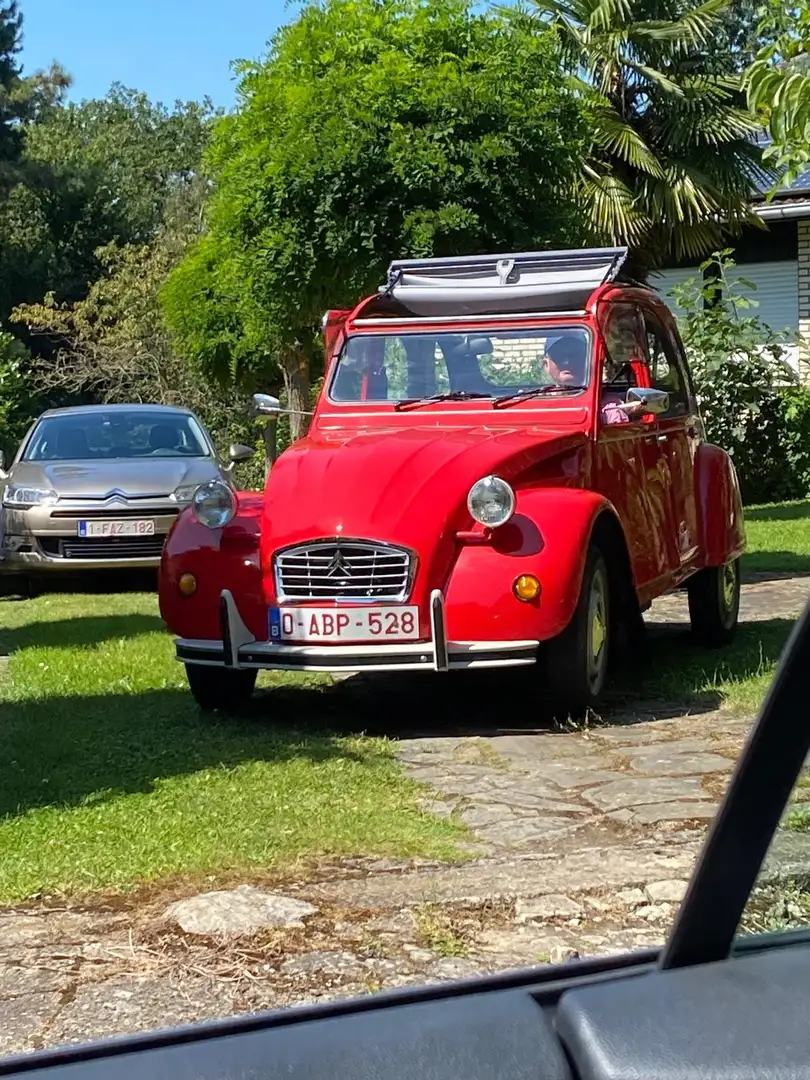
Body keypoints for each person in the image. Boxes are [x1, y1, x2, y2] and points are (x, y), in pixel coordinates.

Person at [543, 336, 647, 424]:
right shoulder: (535, 403)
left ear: (587, 362)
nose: (567, 361)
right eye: (559, 356)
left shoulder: (609, 407)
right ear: (546, 365)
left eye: (575, 355)